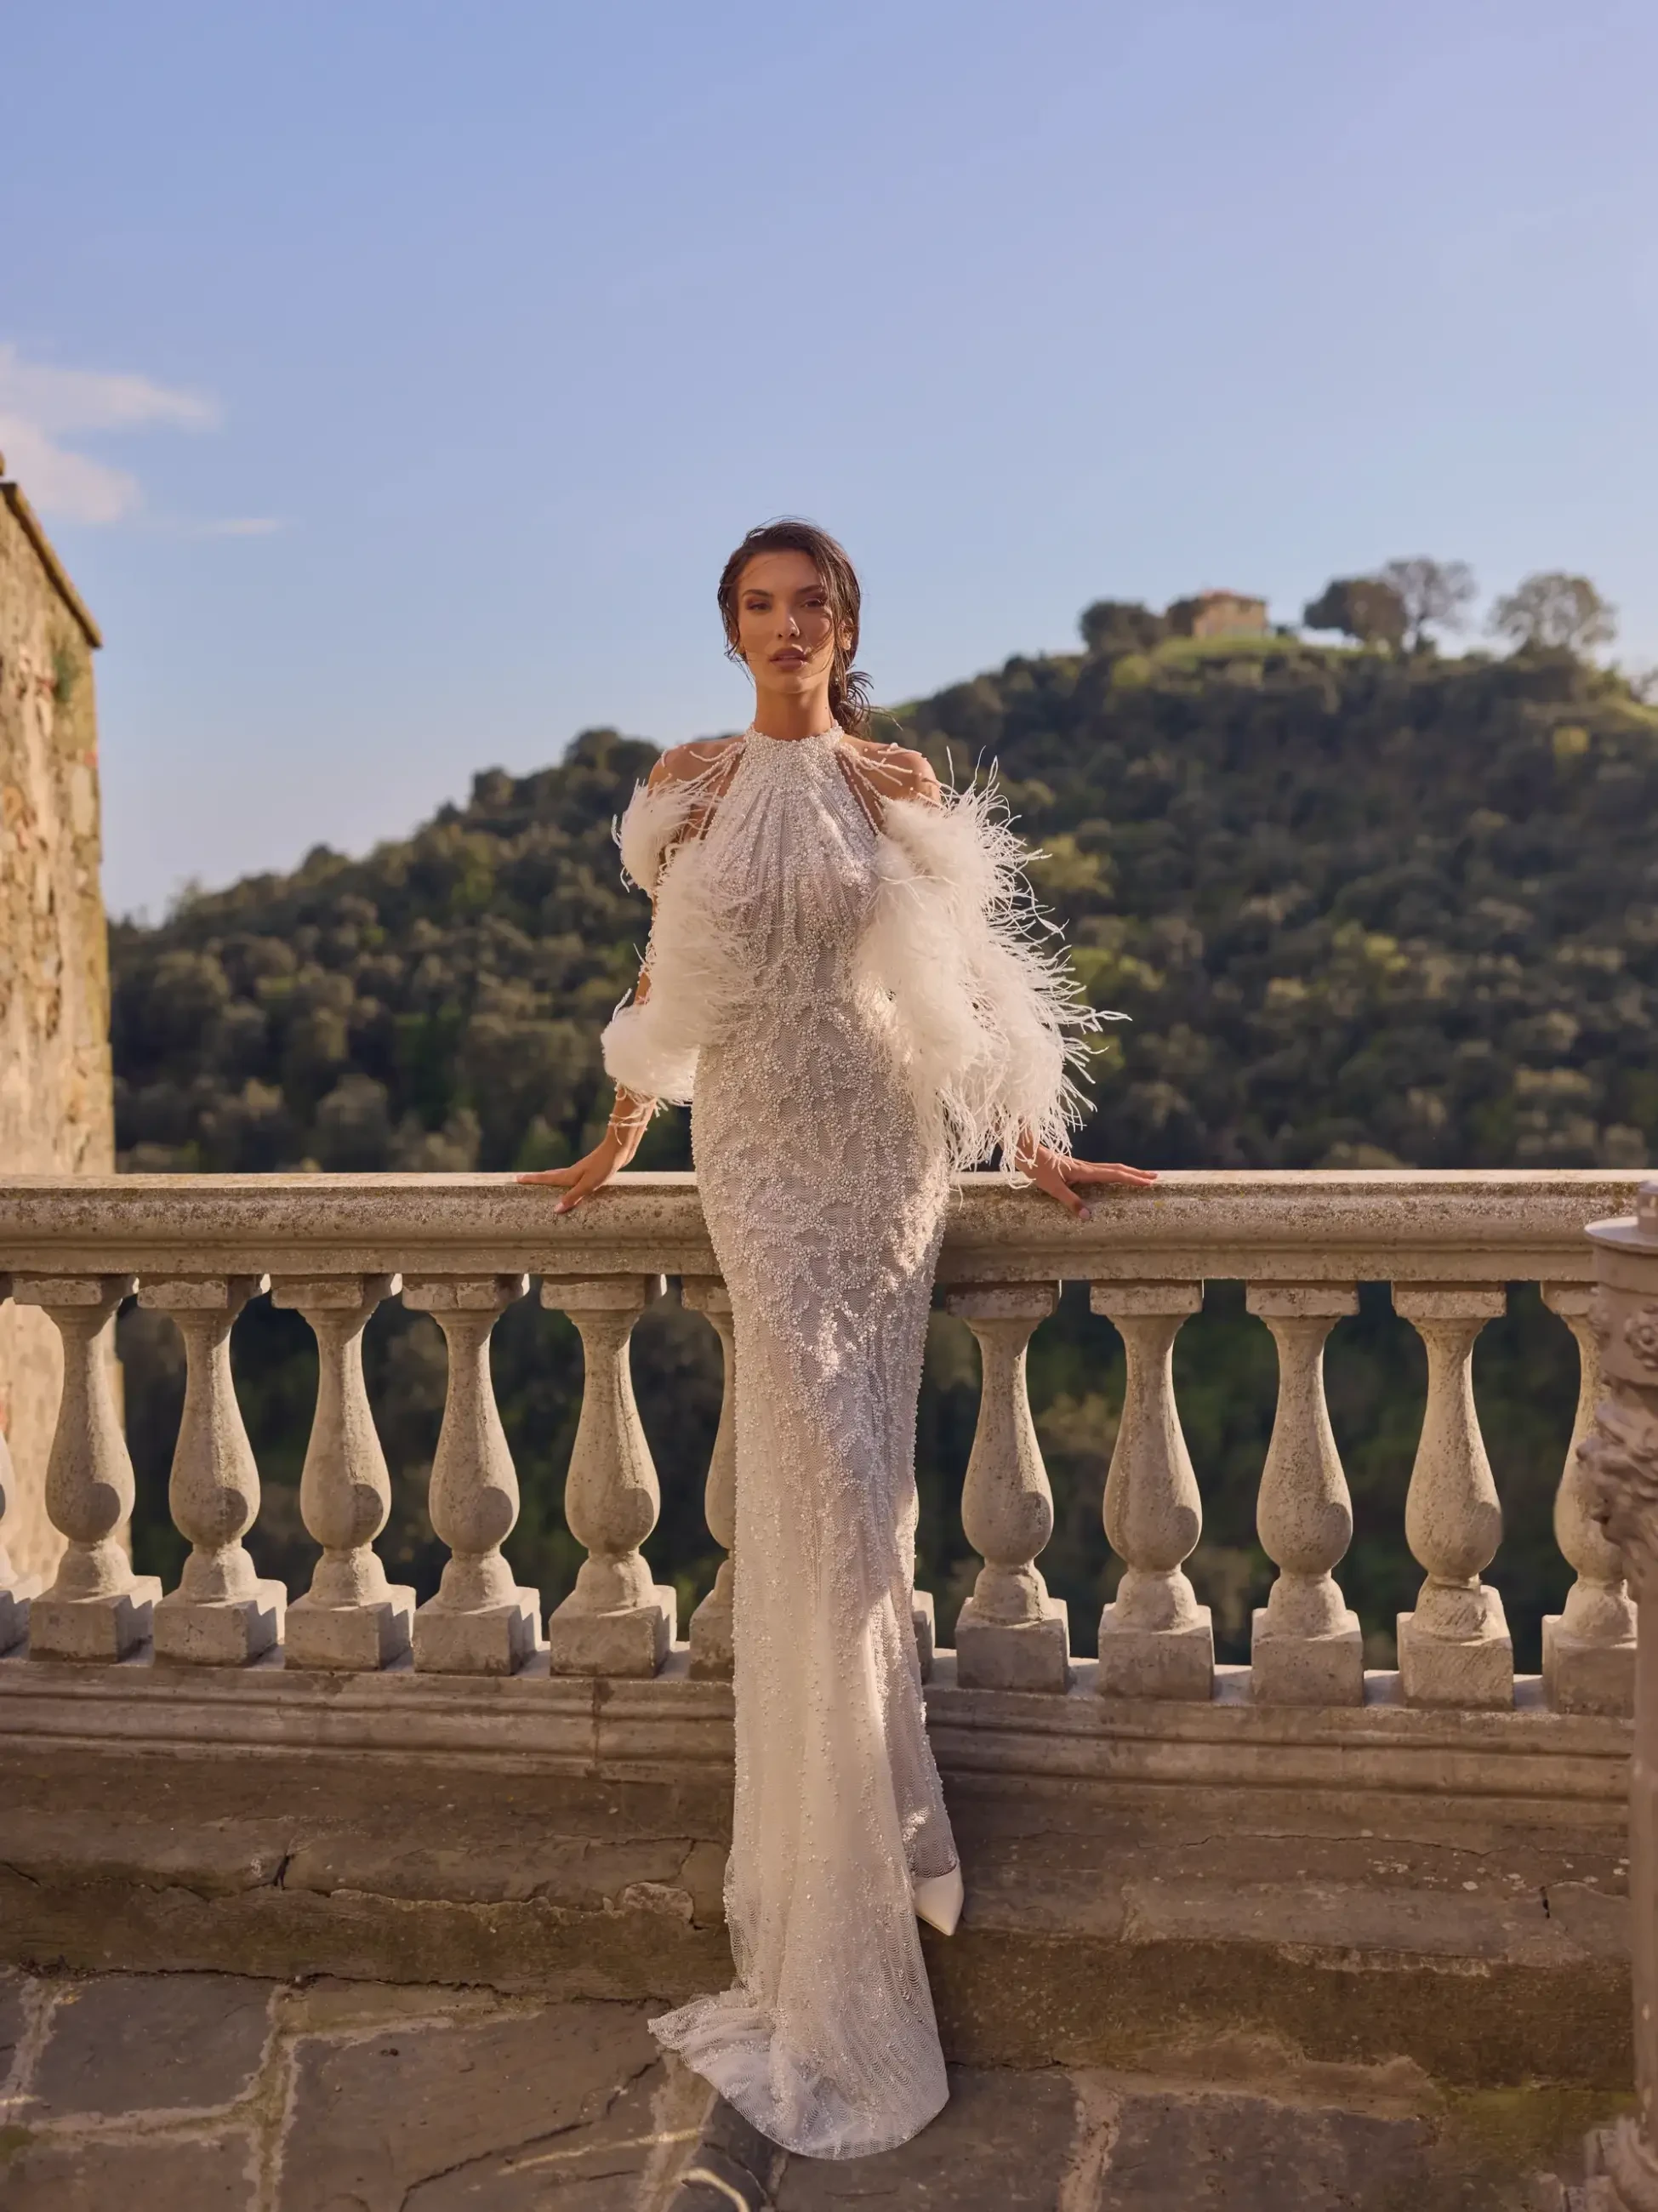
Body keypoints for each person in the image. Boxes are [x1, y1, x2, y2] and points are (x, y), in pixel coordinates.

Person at [521, 519, 1156, 2158]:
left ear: (845, 623)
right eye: (761, 604)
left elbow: (967, 987)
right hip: (758, 1157)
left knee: (857, 1499)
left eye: (813, 604)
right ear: (730, 628)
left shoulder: (901, 786)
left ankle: (872, 1867)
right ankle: (847, 1888)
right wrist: (612, 1140)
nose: (788, 624)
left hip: (881, 1156)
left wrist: (1033, 1136)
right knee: (818, 1496)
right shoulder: (689, 787)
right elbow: (673, 981)